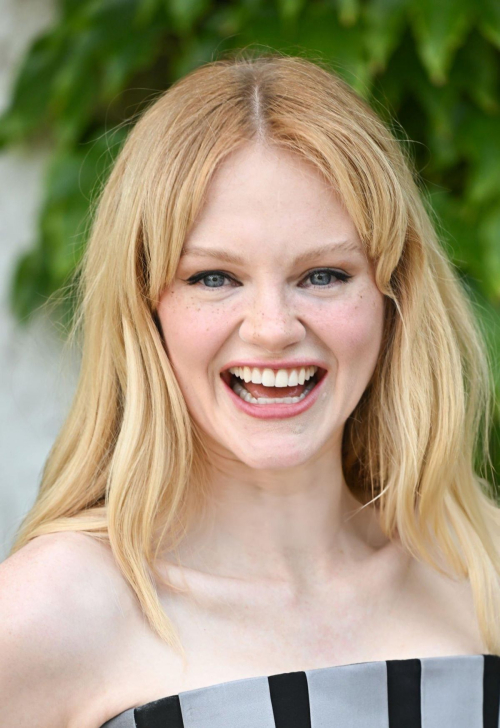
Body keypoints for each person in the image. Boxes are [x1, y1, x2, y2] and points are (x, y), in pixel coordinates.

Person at [1, 52, 499, 728]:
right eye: (213, 278)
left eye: (323, 275)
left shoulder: (480, 570)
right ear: (147, 308)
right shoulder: (53, 610)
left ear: (393, 297)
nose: (272, 329)